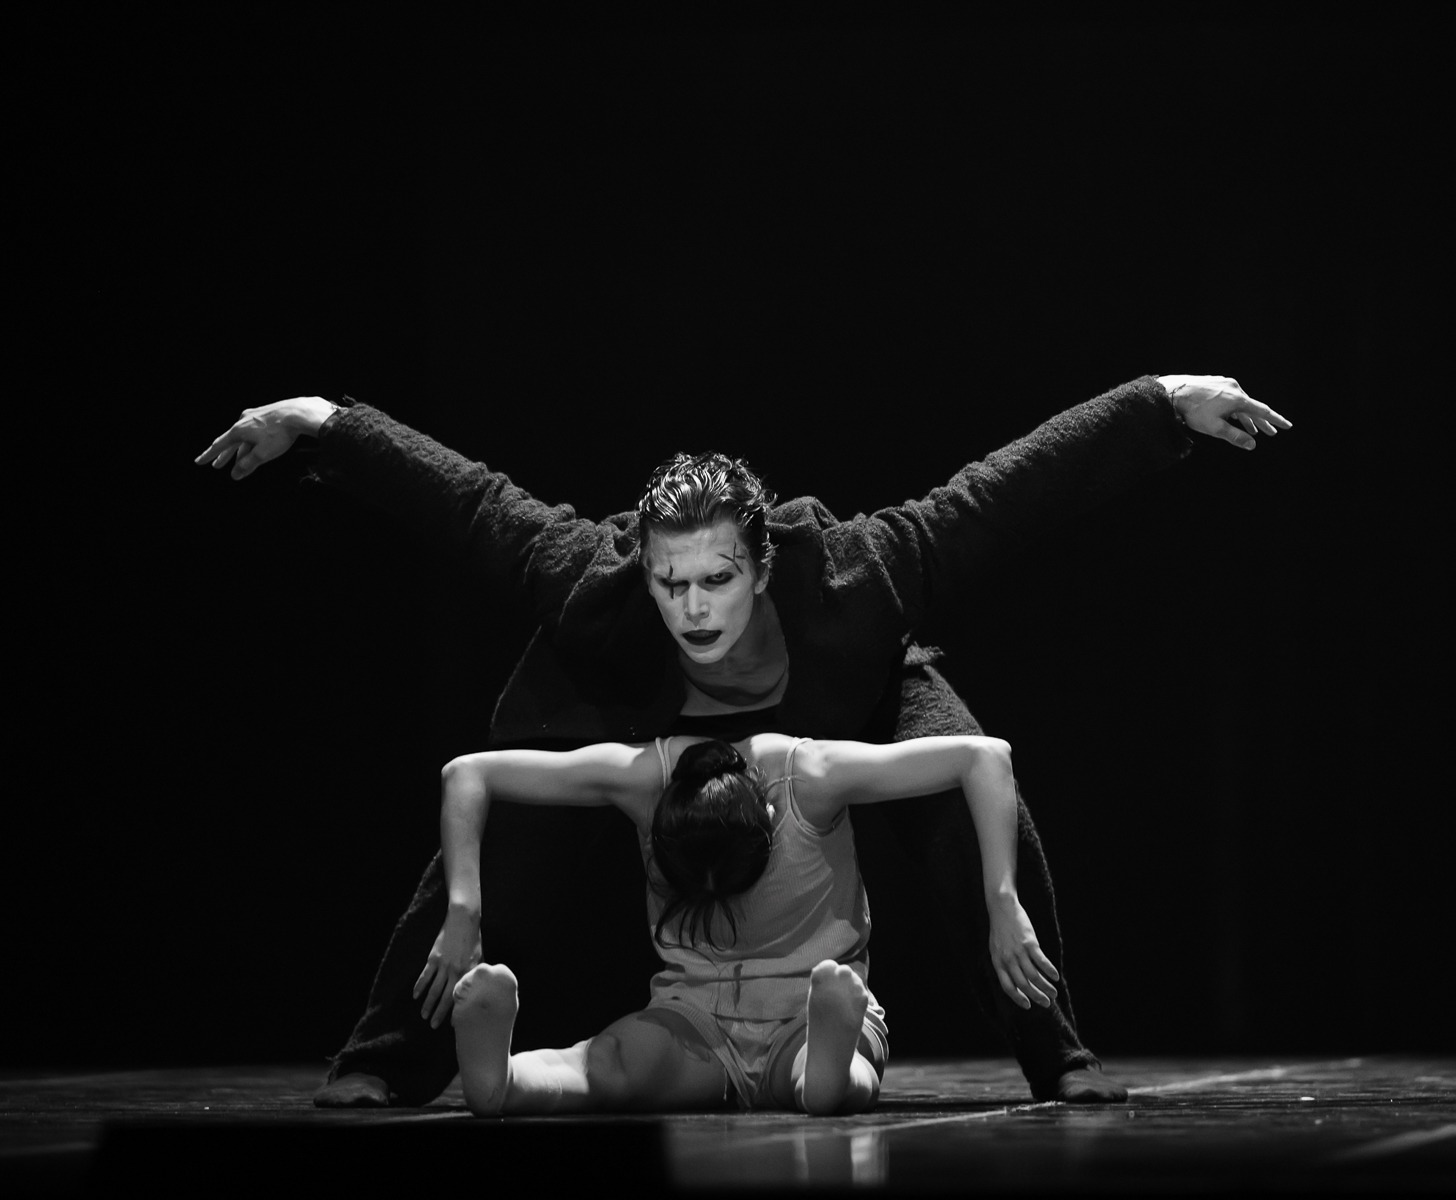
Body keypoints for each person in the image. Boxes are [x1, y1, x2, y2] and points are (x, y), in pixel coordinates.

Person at [197, 373, 1290, 1107]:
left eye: (717, 579)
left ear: (763, 568)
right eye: (670, 583)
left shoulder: (856, 572)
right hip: (643, 725)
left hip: (847, 704)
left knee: (965, 802)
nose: (693, 608)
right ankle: (385, 1056)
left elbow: (1001, 496)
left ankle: (1060, 1054)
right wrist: (326, 426)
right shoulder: (597, 585)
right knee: (510, 822)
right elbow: (472, 505)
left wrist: (1157, 404)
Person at [421, 731, 1047, 1115]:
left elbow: (984, 756)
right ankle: (501, 1081)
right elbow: (468, 773)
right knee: (607, 1064)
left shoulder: (811, 778)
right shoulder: (646, 781)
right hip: (694, 1018)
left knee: (833, 1073)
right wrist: (462, 912)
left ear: (770, 817)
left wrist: (1003, 902)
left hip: (805, 1011)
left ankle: (827, 1068)